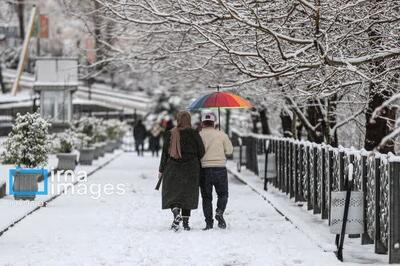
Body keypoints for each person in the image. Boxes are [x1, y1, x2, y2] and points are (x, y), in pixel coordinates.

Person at [158, 111, 205, 231]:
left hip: (172, 167)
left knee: (172, 192)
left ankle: (175, 212)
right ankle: (186, 223)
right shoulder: (194, 134)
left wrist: (161, 170)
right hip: (191, 168)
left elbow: (165, 153)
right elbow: (202, 151)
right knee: (187, 193)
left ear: (178, 120)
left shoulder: (170, 134)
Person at [199, 112, 233, 230]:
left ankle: (209, 223)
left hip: (204, 170)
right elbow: (229, 151)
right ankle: (219, 212)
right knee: (223, 194)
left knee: (206, 197)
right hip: (219, 169)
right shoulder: (221, 135)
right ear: (214, 123)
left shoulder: (199, 135)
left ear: (202, 123)